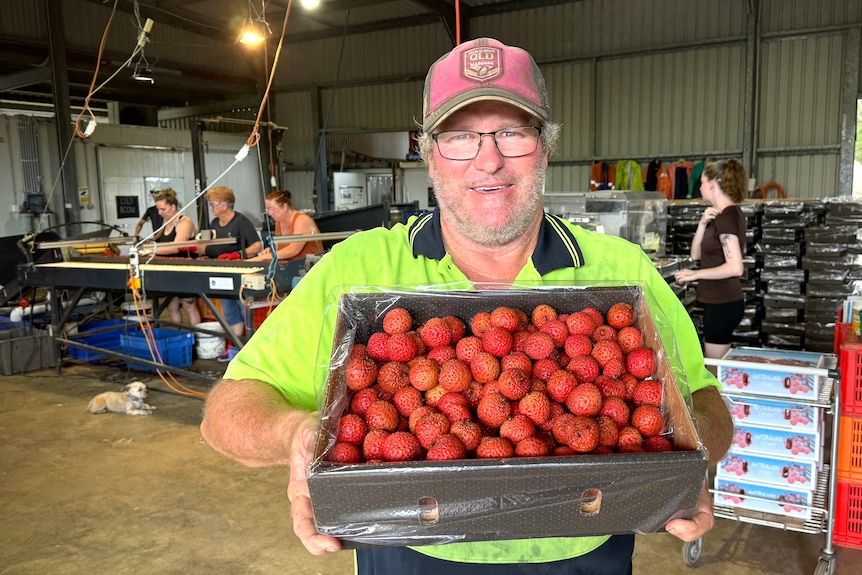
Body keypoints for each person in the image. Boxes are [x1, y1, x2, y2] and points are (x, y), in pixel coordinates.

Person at [201, 38, 733, 574]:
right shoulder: (354, 269)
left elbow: (707, 405)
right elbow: (225, 413)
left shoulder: (622, 270)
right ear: (430, 153)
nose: (489, 159)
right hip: (407, 551)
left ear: (545, 147)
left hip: (582, 552)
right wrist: (295, 433)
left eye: (512, 133)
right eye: (460, 137)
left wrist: (689, 459)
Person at [674, 159, 747, 360]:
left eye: (702, 182)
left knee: (715, 368)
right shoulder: (723, 216)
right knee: (717, 362)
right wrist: (702, 223)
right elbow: (696, 255)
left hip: (723, 301)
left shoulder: (726, 217)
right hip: (719, 300)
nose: (700, 187)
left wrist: (694, 274)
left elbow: (735, 267)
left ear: (713, 185)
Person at [202, 186, 263, 356]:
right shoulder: (214, 223)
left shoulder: (240, 221)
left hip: (240, 274)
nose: (212, 208)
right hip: (221, 272)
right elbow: (210, 246)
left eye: (214, 204)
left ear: (225, 204)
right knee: (230, 311)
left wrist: (238, 254)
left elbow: (257, 245)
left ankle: (250, 351)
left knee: (244, 308)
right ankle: (236, 348)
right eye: (211, 205)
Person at [151, 188, 201, 327]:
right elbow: (156, 240)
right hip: (168, 272)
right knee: (172, 307)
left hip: (184, 272)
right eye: (158, 209)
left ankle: (197, 340)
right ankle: (177, 338)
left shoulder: (184, 222)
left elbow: (176, 247)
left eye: (163, 209)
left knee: (189, 307)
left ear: (173, 207)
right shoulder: (166, 223)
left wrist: (152, 250)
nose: (160, 213)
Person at [246, 190, 323, 262]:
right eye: (268, 210)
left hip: (310, 266)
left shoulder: (302, 220)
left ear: (285, 207)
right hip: (289, 265)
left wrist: (264, 257)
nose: (270, 213)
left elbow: (293, 249)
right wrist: (272, 249)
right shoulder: (279, 222)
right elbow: (282, 246)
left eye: (273, 209)